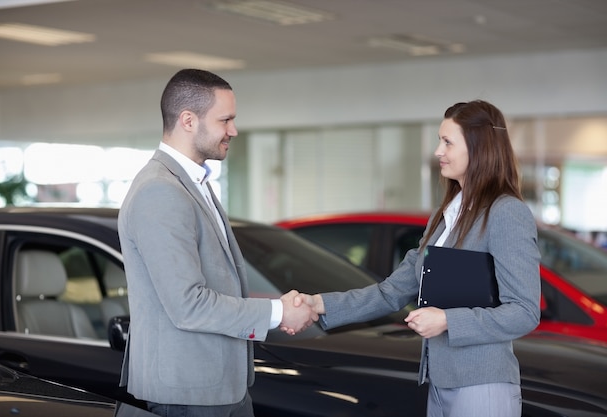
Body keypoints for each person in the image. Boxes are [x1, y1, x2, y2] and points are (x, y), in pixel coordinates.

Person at [289, 100, 541, 417]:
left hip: (481, 384)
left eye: (448, 142)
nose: (438, 151)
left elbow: (524, 312)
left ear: (480, 148)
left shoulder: (506, 213)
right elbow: (391, 291)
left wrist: (447, 321)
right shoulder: (444, 216)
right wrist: (317, 305)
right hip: (439, 381)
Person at [118, 68, 316, 417]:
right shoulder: (160, 191)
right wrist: (279, 312)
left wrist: (277, 304)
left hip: (218, 386)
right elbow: (188, 304)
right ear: (188, 120)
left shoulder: (193, 182)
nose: (233, 130)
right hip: (188, 391)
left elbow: (218, 282)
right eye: (225, 120)